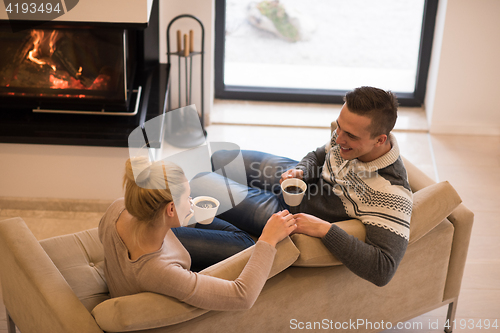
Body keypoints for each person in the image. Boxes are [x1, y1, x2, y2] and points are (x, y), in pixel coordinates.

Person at [203, 86, 413, 287]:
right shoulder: (347, 136)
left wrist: (325, 229)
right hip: (299, 182)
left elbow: (383, 269)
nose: (339, 138)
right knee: (221, 158)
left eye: (350, 135)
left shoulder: (391, 194)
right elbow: (318, 155)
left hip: (290, 212)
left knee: (201, 182)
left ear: (380, 140)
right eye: (339, 126)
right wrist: (301, 172)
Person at [98, 157, 297, 310]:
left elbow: (102, 236)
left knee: (234, 237)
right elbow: (242, 296)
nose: (191, 200)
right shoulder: (158, 271)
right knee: (246, 244)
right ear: (170, 210)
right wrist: (268, 239)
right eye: (187, 196)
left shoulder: (118, 208)